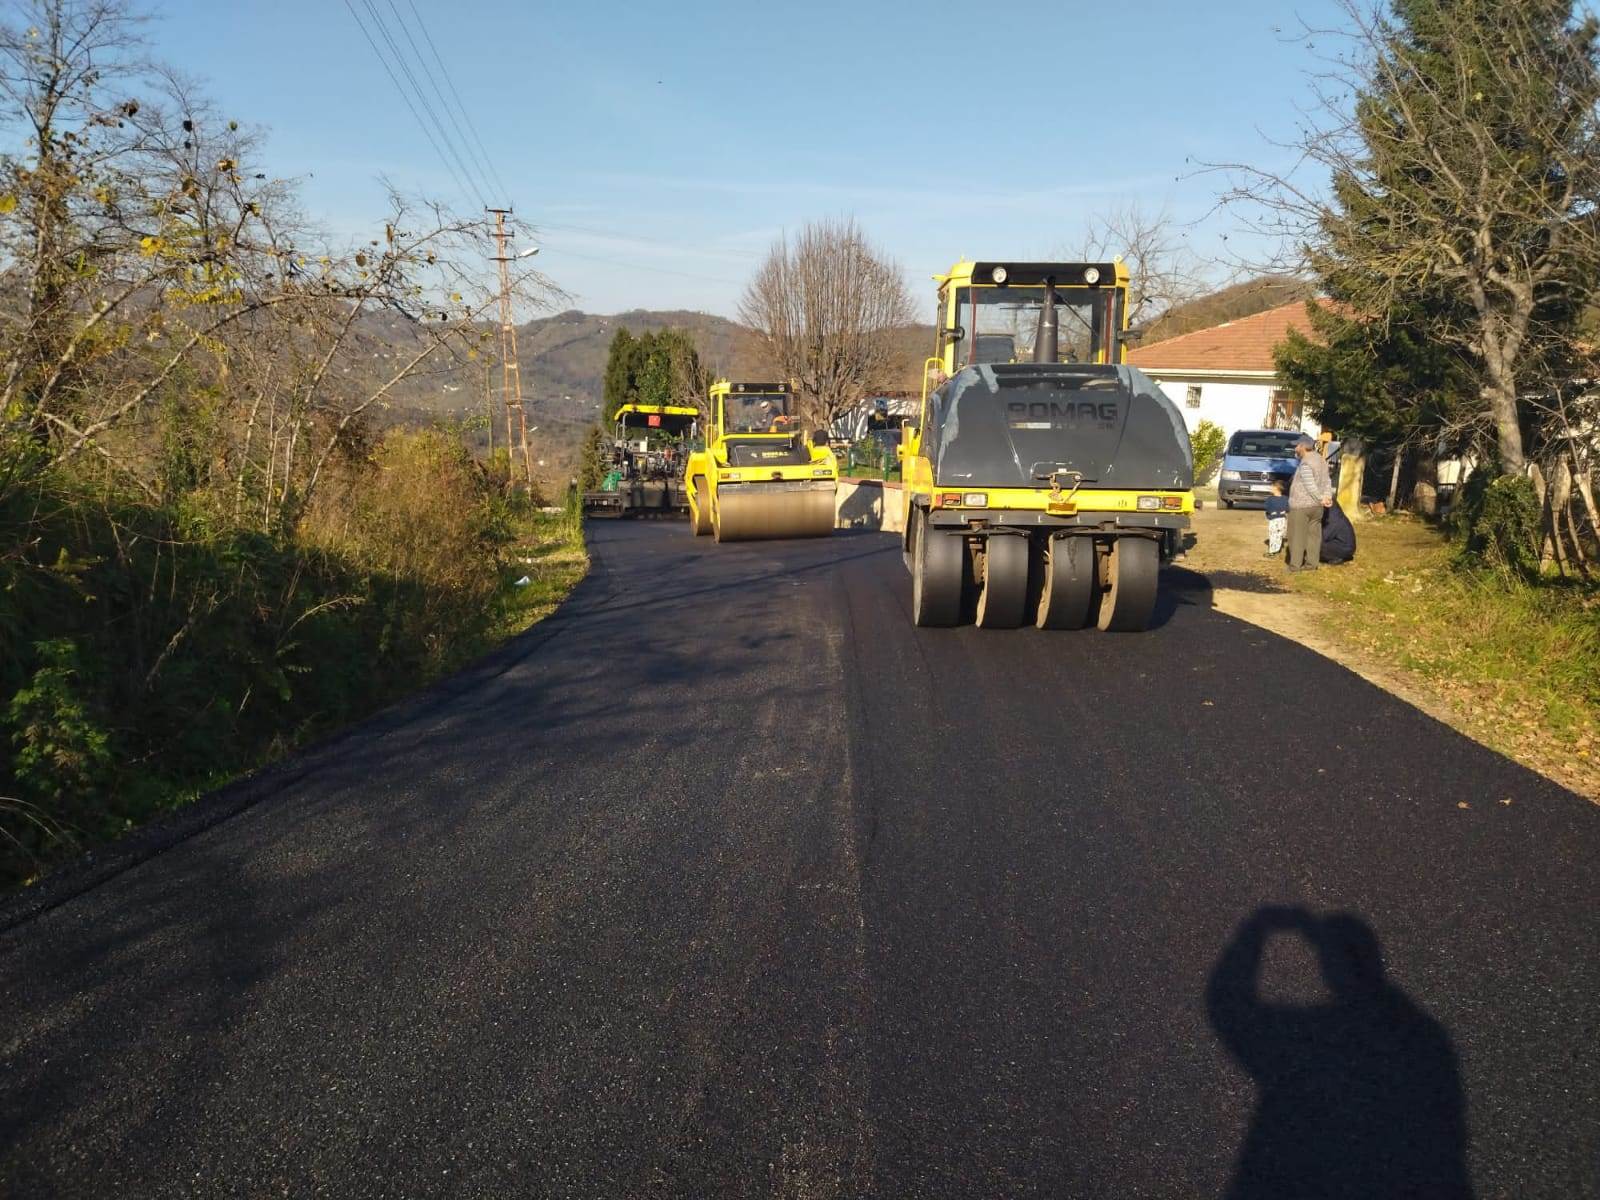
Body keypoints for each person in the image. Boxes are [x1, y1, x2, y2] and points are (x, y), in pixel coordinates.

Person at [1287, 434, 1333, 571]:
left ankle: (1295, 565)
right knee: (1314, 536)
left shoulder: (1306, 462)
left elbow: (1309, 484)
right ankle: (1312, 564)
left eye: (1297, 446)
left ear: (1303, 447)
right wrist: (1327, 496)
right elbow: (1327, 481)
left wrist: (1320, 497)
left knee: (1297, 536)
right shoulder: (1321, 460)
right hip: (1317, 508)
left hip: (1301, 505)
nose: (1295, 448)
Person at [1263, 480, 1289, 558]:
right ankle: (1275, 550)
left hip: (1278, 519)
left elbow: (1288, 507)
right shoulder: (1283, 498)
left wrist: (1273, 512)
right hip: (1278, 519)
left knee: (1276, 534)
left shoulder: (1272, 499)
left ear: (1277, 488)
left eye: (1272, 487)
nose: (1270, 488)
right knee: (1276, 534)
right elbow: (1266, 508)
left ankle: (1274, 550)